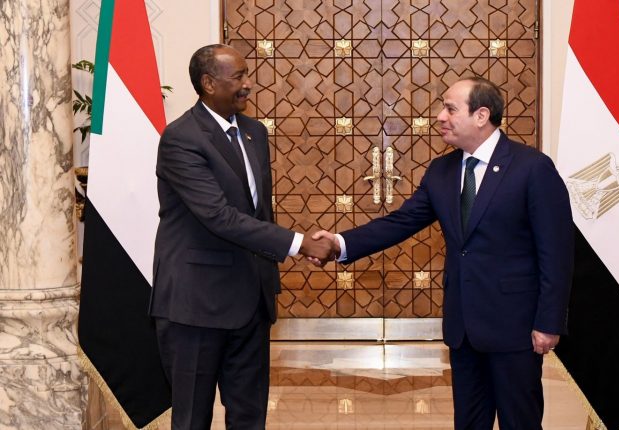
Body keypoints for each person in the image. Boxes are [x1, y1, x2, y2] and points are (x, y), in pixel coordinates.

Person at [313, 77, 574, 429]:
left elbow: (556, 252)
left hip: (515, 327)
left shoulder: (532, 167)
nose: (440, 116)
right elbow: (400, 222)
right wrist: (339, 243)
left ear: (481, 115)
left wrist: (549, 322)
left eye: (450, 109)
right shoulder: (442, 170)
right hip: (463, 327)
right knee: (468, 422)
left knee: (520, 422)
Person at [149, 44, 336, 429]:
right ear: (208, 83)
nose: (248, 84)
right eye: (238, 77)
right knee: (192, 419)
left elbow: (258, 212)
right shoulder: (181, 138)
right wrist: (299, 243)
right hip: (196, 305)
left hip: (251, 300)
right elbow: (219, 216)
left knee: (250, 418)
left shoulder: (254, 132)